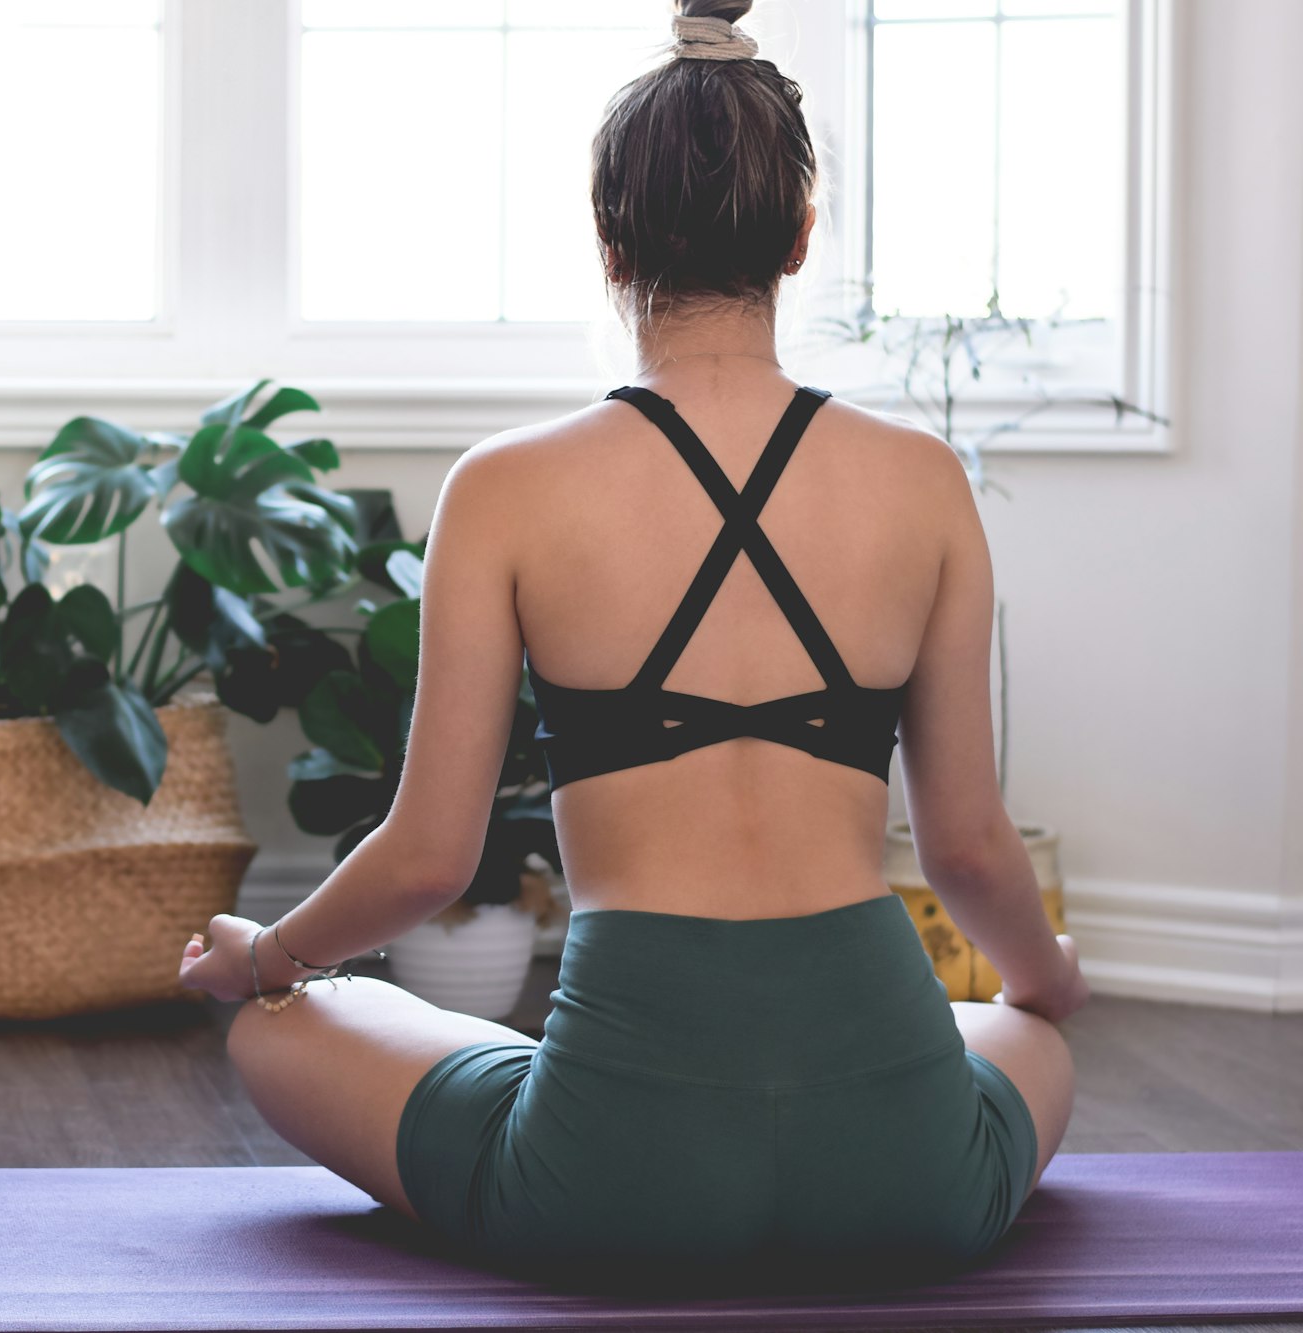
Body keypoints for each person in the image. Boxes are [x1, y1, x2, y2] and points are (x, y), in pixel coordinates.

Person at [177, 0, 1087, 1273]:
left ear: (608, 243)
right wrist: (1048, 984)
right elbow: (970, 847)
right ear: (799, 236)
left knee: (278, 1026)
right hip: (902, 1174)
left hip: (611, 1180)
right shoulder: (921, 480)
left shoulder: (504, 488)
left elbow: (428, 855)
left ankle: (499, 1070)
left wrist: (259, 958)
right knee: (1017, 1036)